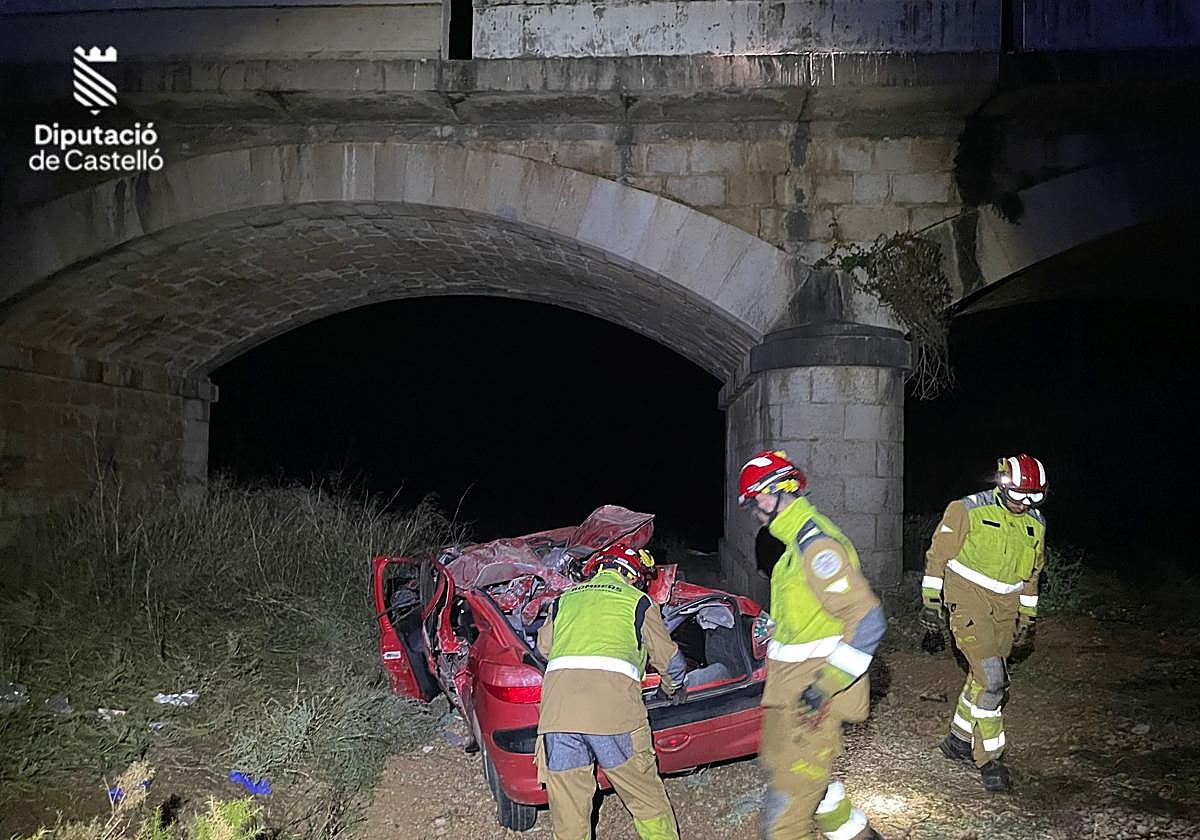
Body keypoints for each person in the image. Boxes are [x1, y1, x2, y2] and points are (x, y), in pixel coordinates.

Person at [738, 450, 887, 840]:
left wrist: (825, 686)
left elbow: (868, 621)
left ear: (771, 495)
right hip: (790, 694)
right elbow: (811, 618)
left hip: (812, 700)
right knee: (799, 779)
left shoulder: (816, 546)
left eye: (754, 502)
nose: (755, 512)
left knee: (782, 825)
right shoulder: (792, 550)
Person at [534, 542, 688, 840]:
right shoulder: (637, 601)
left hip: (558, 720)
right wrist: (673, 688)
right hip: (614, 718)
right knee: (646, 800)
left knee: (569, 814)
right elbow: (670, 661)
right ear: (634, 576)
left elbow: (544, 648)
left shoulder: (564, 599)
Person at [919, 454, 1048, 793]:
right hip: (968, 599)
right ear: (1003, 484)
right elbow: (938, 557)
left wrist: (1028, 619)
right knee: (993, 680)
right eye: (1019, 494)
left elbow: (1031, 578)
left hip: (1005, 609)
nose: (1025, 503)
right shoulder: (967, 509)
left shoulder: (1036, 524)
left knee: (982, 676)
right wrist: (931, 605)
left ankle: (958, 740)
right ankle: (991, 759)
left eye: (1034, 496)